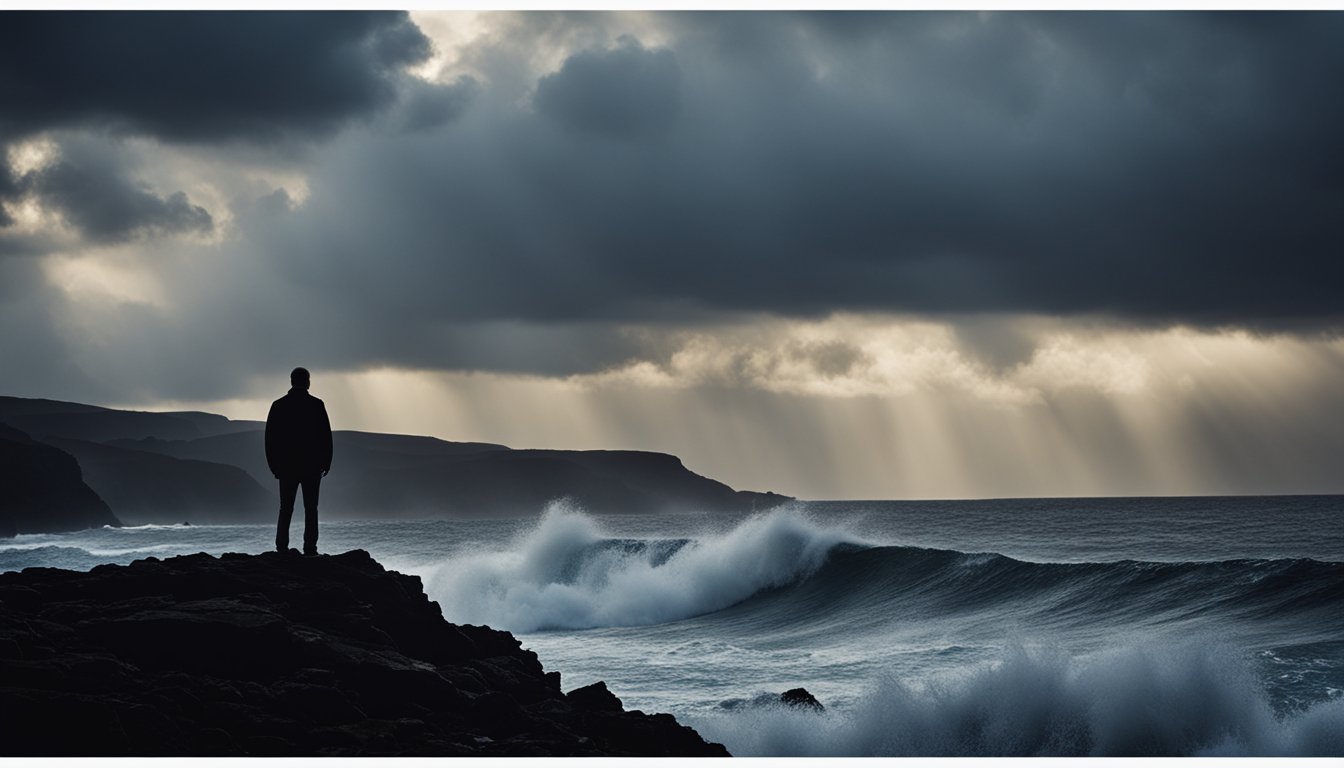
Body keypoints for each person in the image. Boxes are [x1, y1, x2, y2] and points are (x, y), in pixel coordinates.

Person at [265, 367, 332, 556]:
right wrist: (326, 462)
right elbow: (325, 437)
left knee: (286, 507)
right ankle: (310, 548)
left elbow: (270, 439)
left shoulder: (278, 405)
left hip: (286, 466)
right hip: (312, 466)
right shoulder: (316, 405)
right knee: (311, 508)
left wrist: (273, 466)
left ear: (291, 381)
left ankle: (281, 547)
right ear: (308, 381)